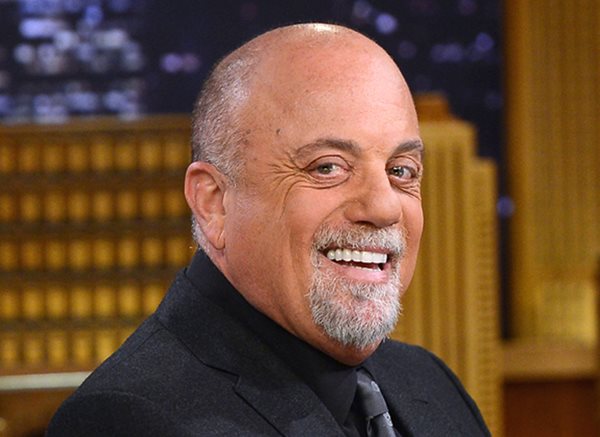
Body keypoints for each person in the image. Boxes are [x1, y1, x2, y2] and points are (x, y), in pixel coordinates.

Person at [47, 23, 490, 436]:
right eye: (328, 167)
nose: (383, 206)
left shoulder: (432, 385)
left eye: (401, 170)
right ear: (214, 203)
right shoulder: (127, 420)